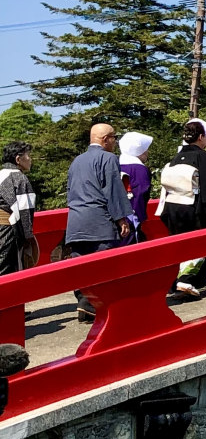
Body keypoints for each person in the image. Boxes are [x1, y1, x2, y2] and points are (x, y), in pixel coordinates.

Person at [65, 124, 134, 322]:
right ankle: (96, 306)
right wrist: (121, 218)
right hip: (99, 220)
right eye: (114, 137)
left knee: (81, 263)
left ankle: (84, 302)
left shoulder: (77, 161)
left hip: (76, 220)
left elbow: (71, 190)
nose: (115, 141)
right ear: (105, 139)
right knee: (104, 263)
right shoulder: (108, 158)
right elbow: (112, 190)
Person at [159, 120, 206, 297]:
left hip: (173, 205)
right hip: (193, 205)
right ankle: (186, 280)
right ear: (200, 137)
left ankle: (174, 281)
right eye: (205, 137)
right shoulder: (202, 156)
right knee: (198, 243)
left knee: (178, 244)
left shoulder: (176, 156)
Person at [0, 143, 37, 275]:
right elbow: (25, 212)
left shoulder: (1, 175)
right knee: (6, 271)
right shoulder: (18, 178)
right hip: (7, 230)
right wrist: (28, 238)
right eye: (28, 155)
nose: (30, 159)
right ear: (18, 159)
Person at [117, 132, 153, 240]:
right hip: (131, 216)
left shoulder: (117, 164)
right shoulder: (139, 169)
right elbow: (141, 192)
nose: (147, 152)